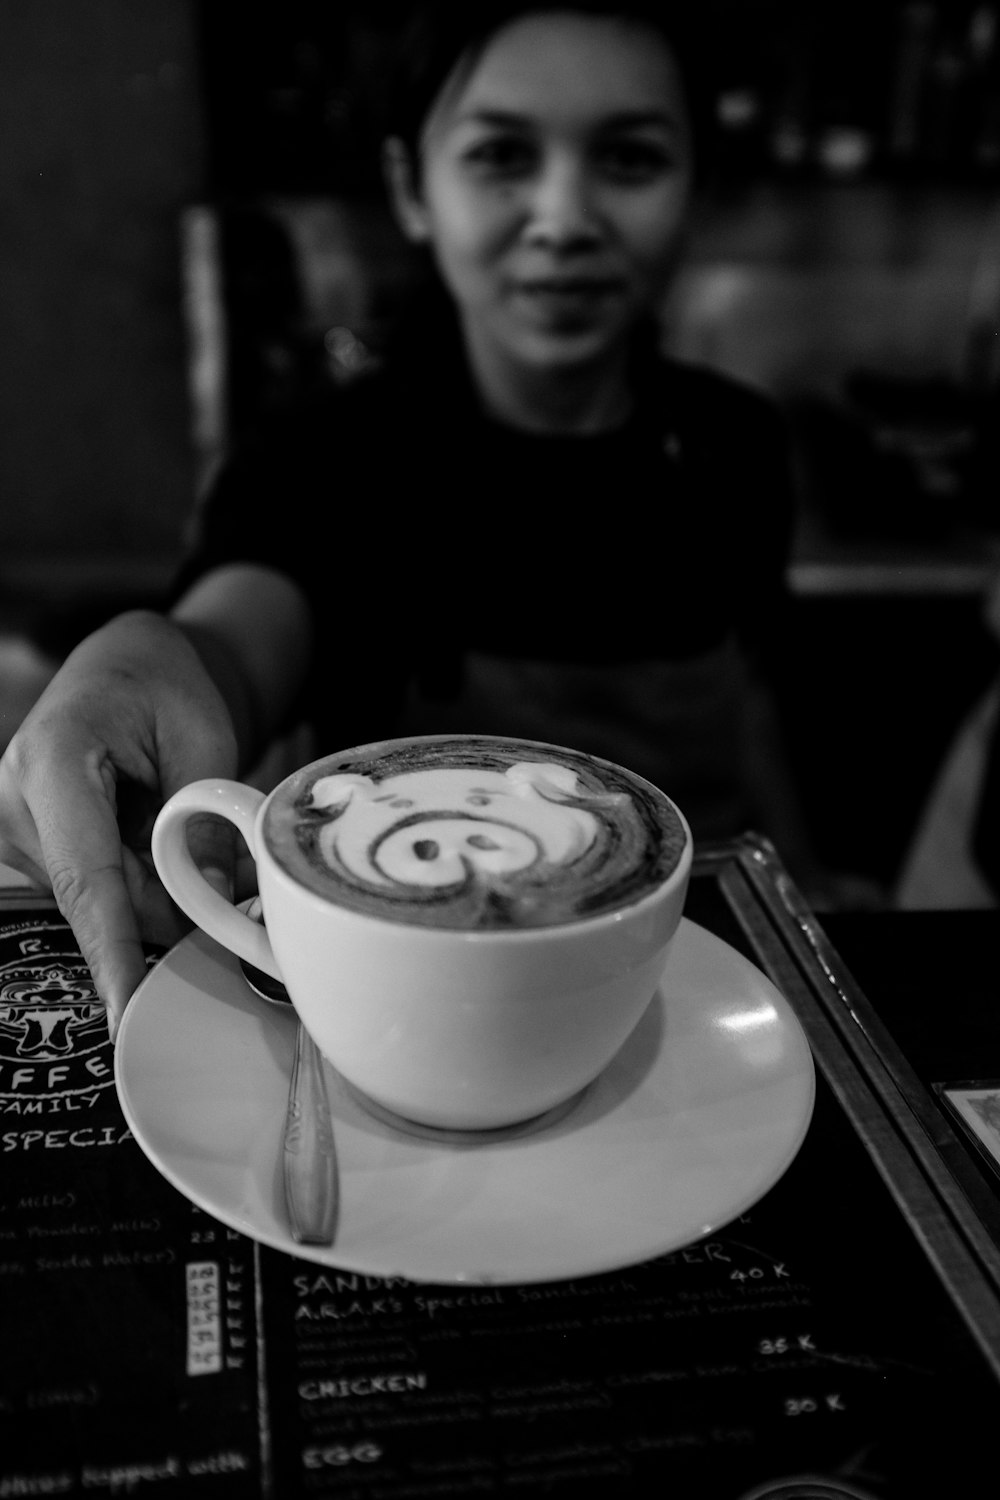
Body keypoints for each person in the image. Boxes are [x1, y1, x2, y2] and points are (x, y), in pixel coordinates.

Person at [0, 0, 822, 1039]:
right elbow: (235, 639)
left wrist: (809, 897)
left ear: (694, 184)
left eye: (627, 157)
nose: (563, 217)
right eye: (500, 156)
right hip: (420, 1021)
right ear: (410, 188)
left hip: (704, 1000)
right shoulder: (322, 462)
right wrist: (151, 655)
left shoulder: (734, 444)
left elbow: (757, 714)